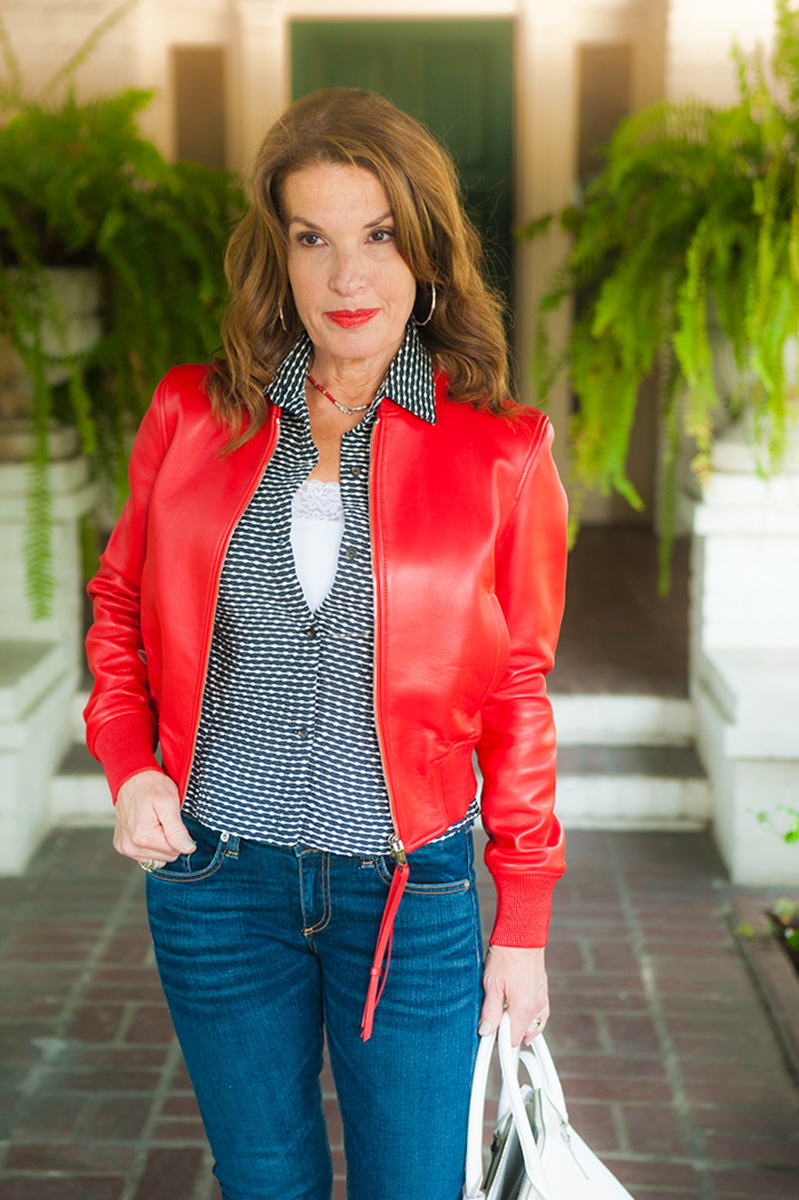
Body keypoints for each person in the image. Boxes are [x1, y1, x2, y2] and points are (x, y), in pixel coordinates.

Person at [84, 88, 568, 1200]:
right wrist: (132, 764)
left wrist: (524, 920)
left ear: (428, 256)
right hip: (214, 880)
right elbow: (117, 608)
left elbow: (517, 687)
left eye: (379, 236)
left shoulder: (502, 452)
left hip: (411, 890)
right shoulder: (191, 416)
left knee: (412, 1184)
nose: (348, 277)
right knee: (262, 1178)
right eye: (314, 239)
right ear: (280, 257)